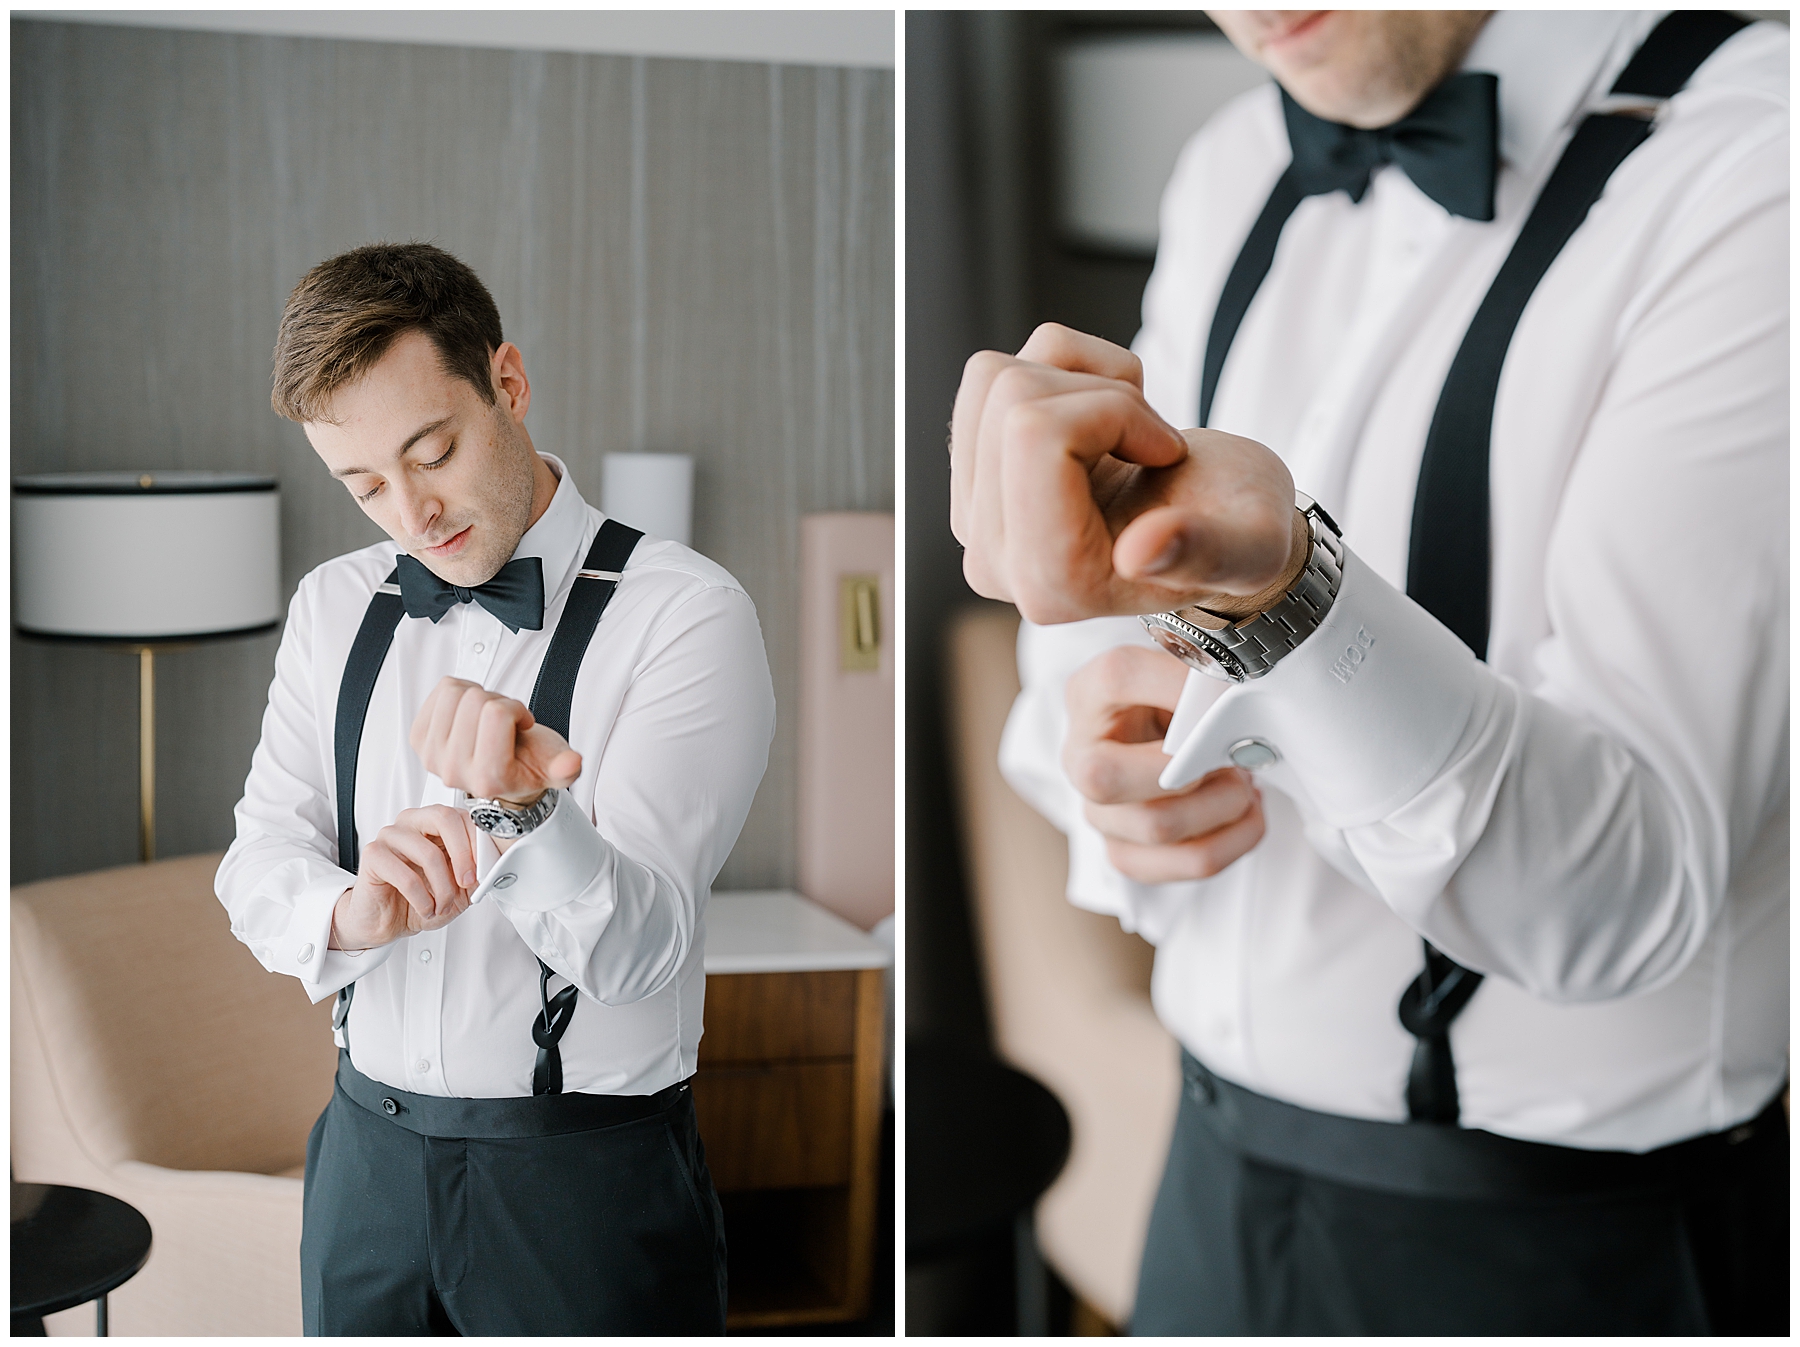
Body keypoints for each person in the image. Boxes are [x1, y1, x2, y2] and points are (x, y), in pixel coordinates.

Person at [954, 10, 1786, 1335]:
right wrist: (1095, 752)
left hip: (1567, 1248)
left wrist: (1290, 605)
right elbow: (1101, 663)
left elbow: (1630, 891)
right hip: (1209, 1188)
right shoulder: (1229, 164)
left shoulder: (1757, 156)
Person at [216, 242, 775, 1335]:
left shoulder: (687, 613)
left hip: (583, 1187)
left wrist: (527, 817)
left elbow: (641, 948)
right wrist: (353, 910)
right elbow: (255, 864)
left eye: (434, 452)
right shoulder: (332, 607)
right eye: (365, 484)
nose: (412, 514)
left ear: (508, 385)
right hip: (363, 1167)